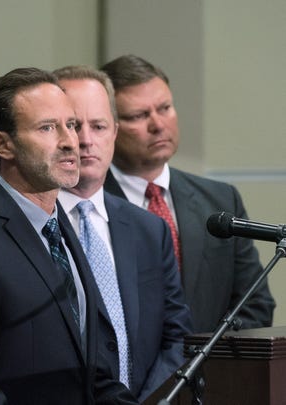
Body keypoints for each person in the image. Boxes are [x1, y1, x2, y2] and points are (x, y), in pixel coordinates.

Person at [0, 67, 138, 404]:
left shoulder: (62, 226)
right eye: (48, 128)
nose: (71, 141)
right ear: (2, 144)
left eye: (71, 125)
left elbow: (90, 370)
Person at [101, 54, 275, 333]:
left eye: (165, 108)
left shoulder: (220, 200)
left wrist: (201, 359)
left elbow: (255, 304)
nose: (158, 124)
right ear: (108, 126)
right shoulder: (88, 205)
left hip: (212, 370)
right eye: (139, 116)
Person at [52, 65, 192, 401]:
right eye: (72, 125)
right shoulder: (30, 225)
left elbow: (175, 335)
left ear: (114, 131)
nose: (85, 140)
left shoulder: (148, 228)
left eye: (98, 126)